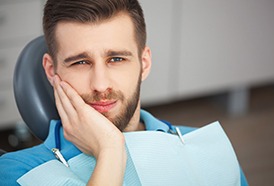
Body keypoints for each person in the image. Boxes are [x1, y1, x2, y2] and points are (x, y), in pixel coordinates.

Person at [0, 0, 248, 185]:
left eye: (116, 59)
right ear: (52, 70)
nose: (100, 84)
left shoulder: (207, 149)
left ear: (145, 63)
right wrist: (110, 150)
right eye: (80, 62)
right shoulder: (17, 172)